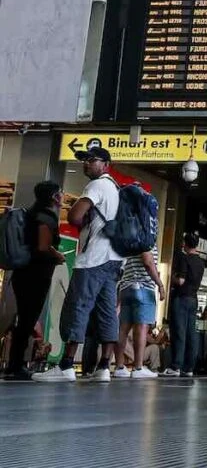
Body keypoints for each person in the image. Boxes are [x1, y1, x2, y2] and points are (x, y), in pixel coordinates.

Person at [34, 147, 123, 383]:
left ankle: (65, 366)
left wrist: (83, 220)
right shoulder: (115, 188)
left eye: (91, 160)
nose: (86, 164)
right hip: (113, 260)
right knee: (107, 312)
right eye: (84, 160)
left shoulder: (96, 186)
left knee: (78, 307)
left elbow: (73, 216)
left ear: (105, 164)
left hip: (92, 259)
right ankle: (104, 366)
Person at [4, 181, 66, 381]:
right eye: (60, 193)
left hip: (22, 273)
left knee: (24, 319)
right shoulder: (46, 217)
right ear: (54, 197)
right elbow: (42, 246)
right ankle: (16, 365)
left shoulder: (30, 213)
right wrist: (57, 256)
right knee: (28, 319)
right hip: (36, 275)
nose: (63, 196)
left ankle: (15, 363)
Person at [114, 241, 165, 379]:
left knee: (123, 328)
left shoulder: (130, 237)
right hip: (143, 286)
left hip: (125, 287)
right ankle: (138, 367)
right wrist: (160, 284)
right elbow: (148, 261)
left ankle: (119, 366)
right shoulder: (146, 236)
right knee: (141, 327)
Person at [161, 232, 204, 378]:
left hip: (181, 298)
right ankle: (189, 367)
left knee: (179, 332)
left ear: (185, 244)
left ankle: (176, 366)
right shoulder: (200, 262)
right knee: (191, 333)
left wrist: (172, 277)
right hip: (194, 299)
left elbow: (181, 281)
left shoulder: (184, 258)